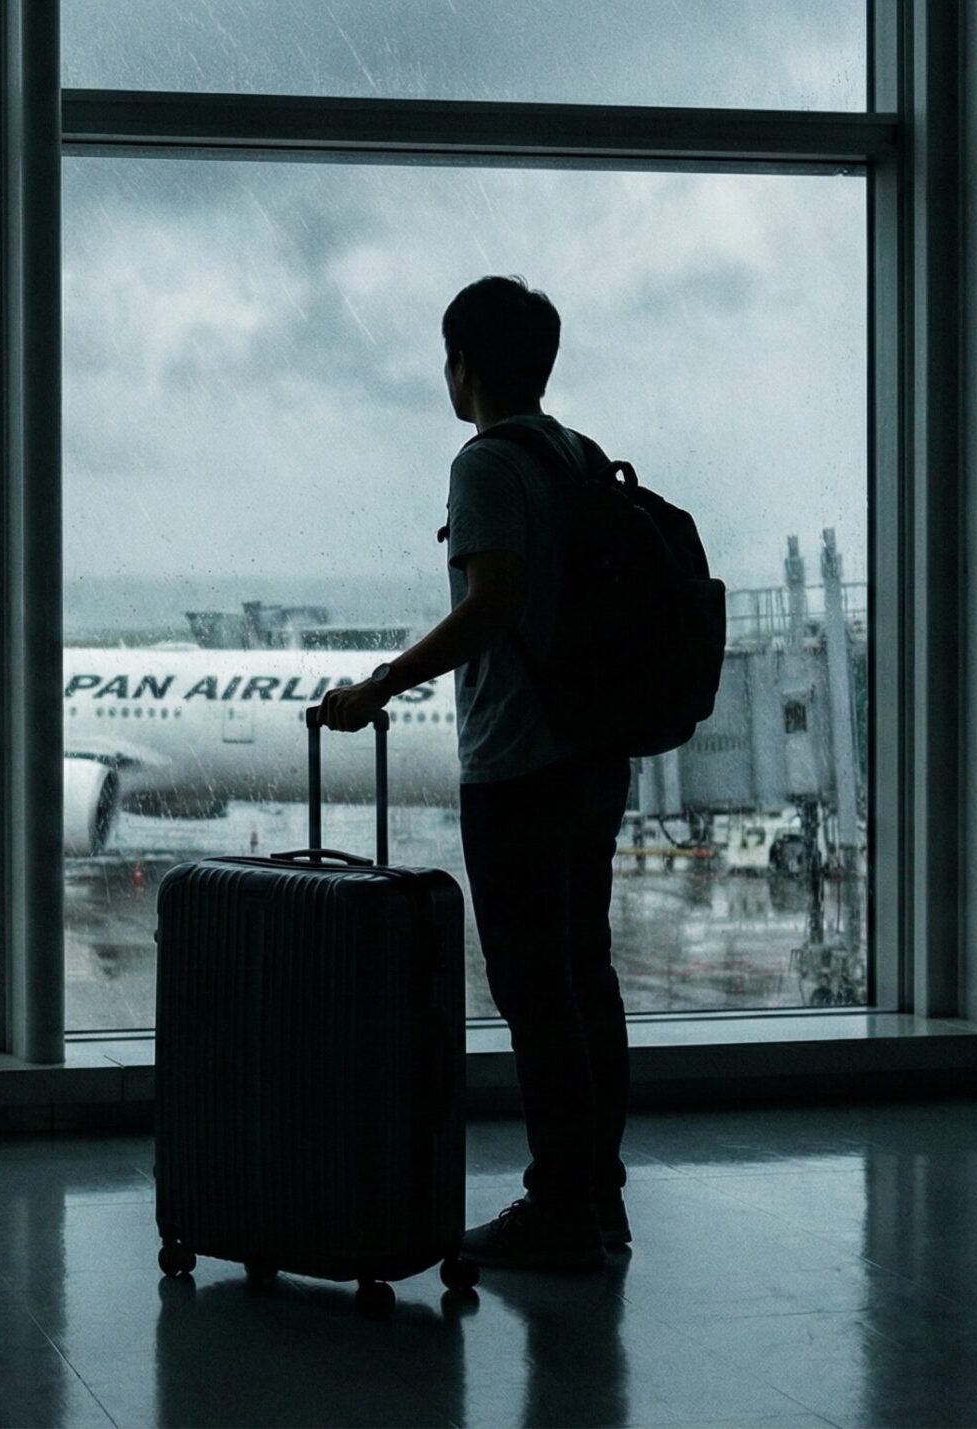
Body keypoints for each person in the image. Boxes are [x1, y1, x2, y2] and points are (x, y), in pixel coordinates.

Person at [316, 275, 632, 1270]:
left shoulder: (488, 463)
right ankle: (597, 1192)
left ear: (466, 366)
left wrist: (381, 682)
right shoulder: (576, 455)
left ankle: (559, 1206)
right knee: (584, 974)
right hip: (593, 752)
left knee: (535, 988)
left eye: (448, 360)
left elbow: (491, 603)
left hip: (519, 763)